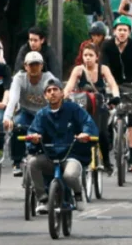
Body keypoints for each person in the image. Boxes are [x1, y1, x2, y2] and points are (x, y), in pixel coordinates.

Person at [25, 77, 99, 214]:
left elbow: (88, 123)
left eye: (55, 89)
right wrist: (34, 138)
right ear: (45, 95)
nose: (52, 93)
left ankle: (78, 194)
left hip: (71, 155)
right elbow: (33, 132)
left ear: (62, 93)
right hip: (50, 156)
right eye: (49, 90)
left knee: (70, 176)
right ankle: (43, 199)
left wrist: (86, 134)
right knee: (32, 163)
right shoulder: (42, 114)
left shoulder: (74, 109)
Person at [101, 15, 132, 173]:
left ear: (130, 32)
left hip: (130, 84)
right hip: (110, 84)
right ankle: (106, 149)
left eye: (125, 30)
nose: (122, 33)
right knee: (105, 114)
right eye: (119, 29)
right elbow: (103, 65)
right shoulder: (107, 46)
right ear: (114, 31)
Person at [64, 43, 120, 173]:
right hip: (82, 105)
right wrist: (63, 97)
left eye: (90, 55)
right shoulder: (78, 70)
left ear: (96, 57)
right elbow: (68, 87)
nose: (87, 58)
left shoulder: (103, 69)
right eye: (85, 55)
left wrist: (116, 96)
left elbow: (113, 84)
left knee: (101, 133)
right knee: (75, 131)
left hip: (100, 104)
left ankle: (106, 162)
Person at [3, 52, 58, 176]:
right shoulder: (19, 78)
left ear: (42, 65)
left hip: (44, 113)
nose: (34, 68)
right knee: (17, 127)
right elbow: (13, 99)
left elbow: (56, 98)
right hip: (26, 112)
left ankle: (53, 158)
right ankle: (17, 162)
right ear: (25, 66)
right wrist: (7, 117)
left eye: (37, 65)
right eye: (31, 65)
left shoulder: (49, 78)